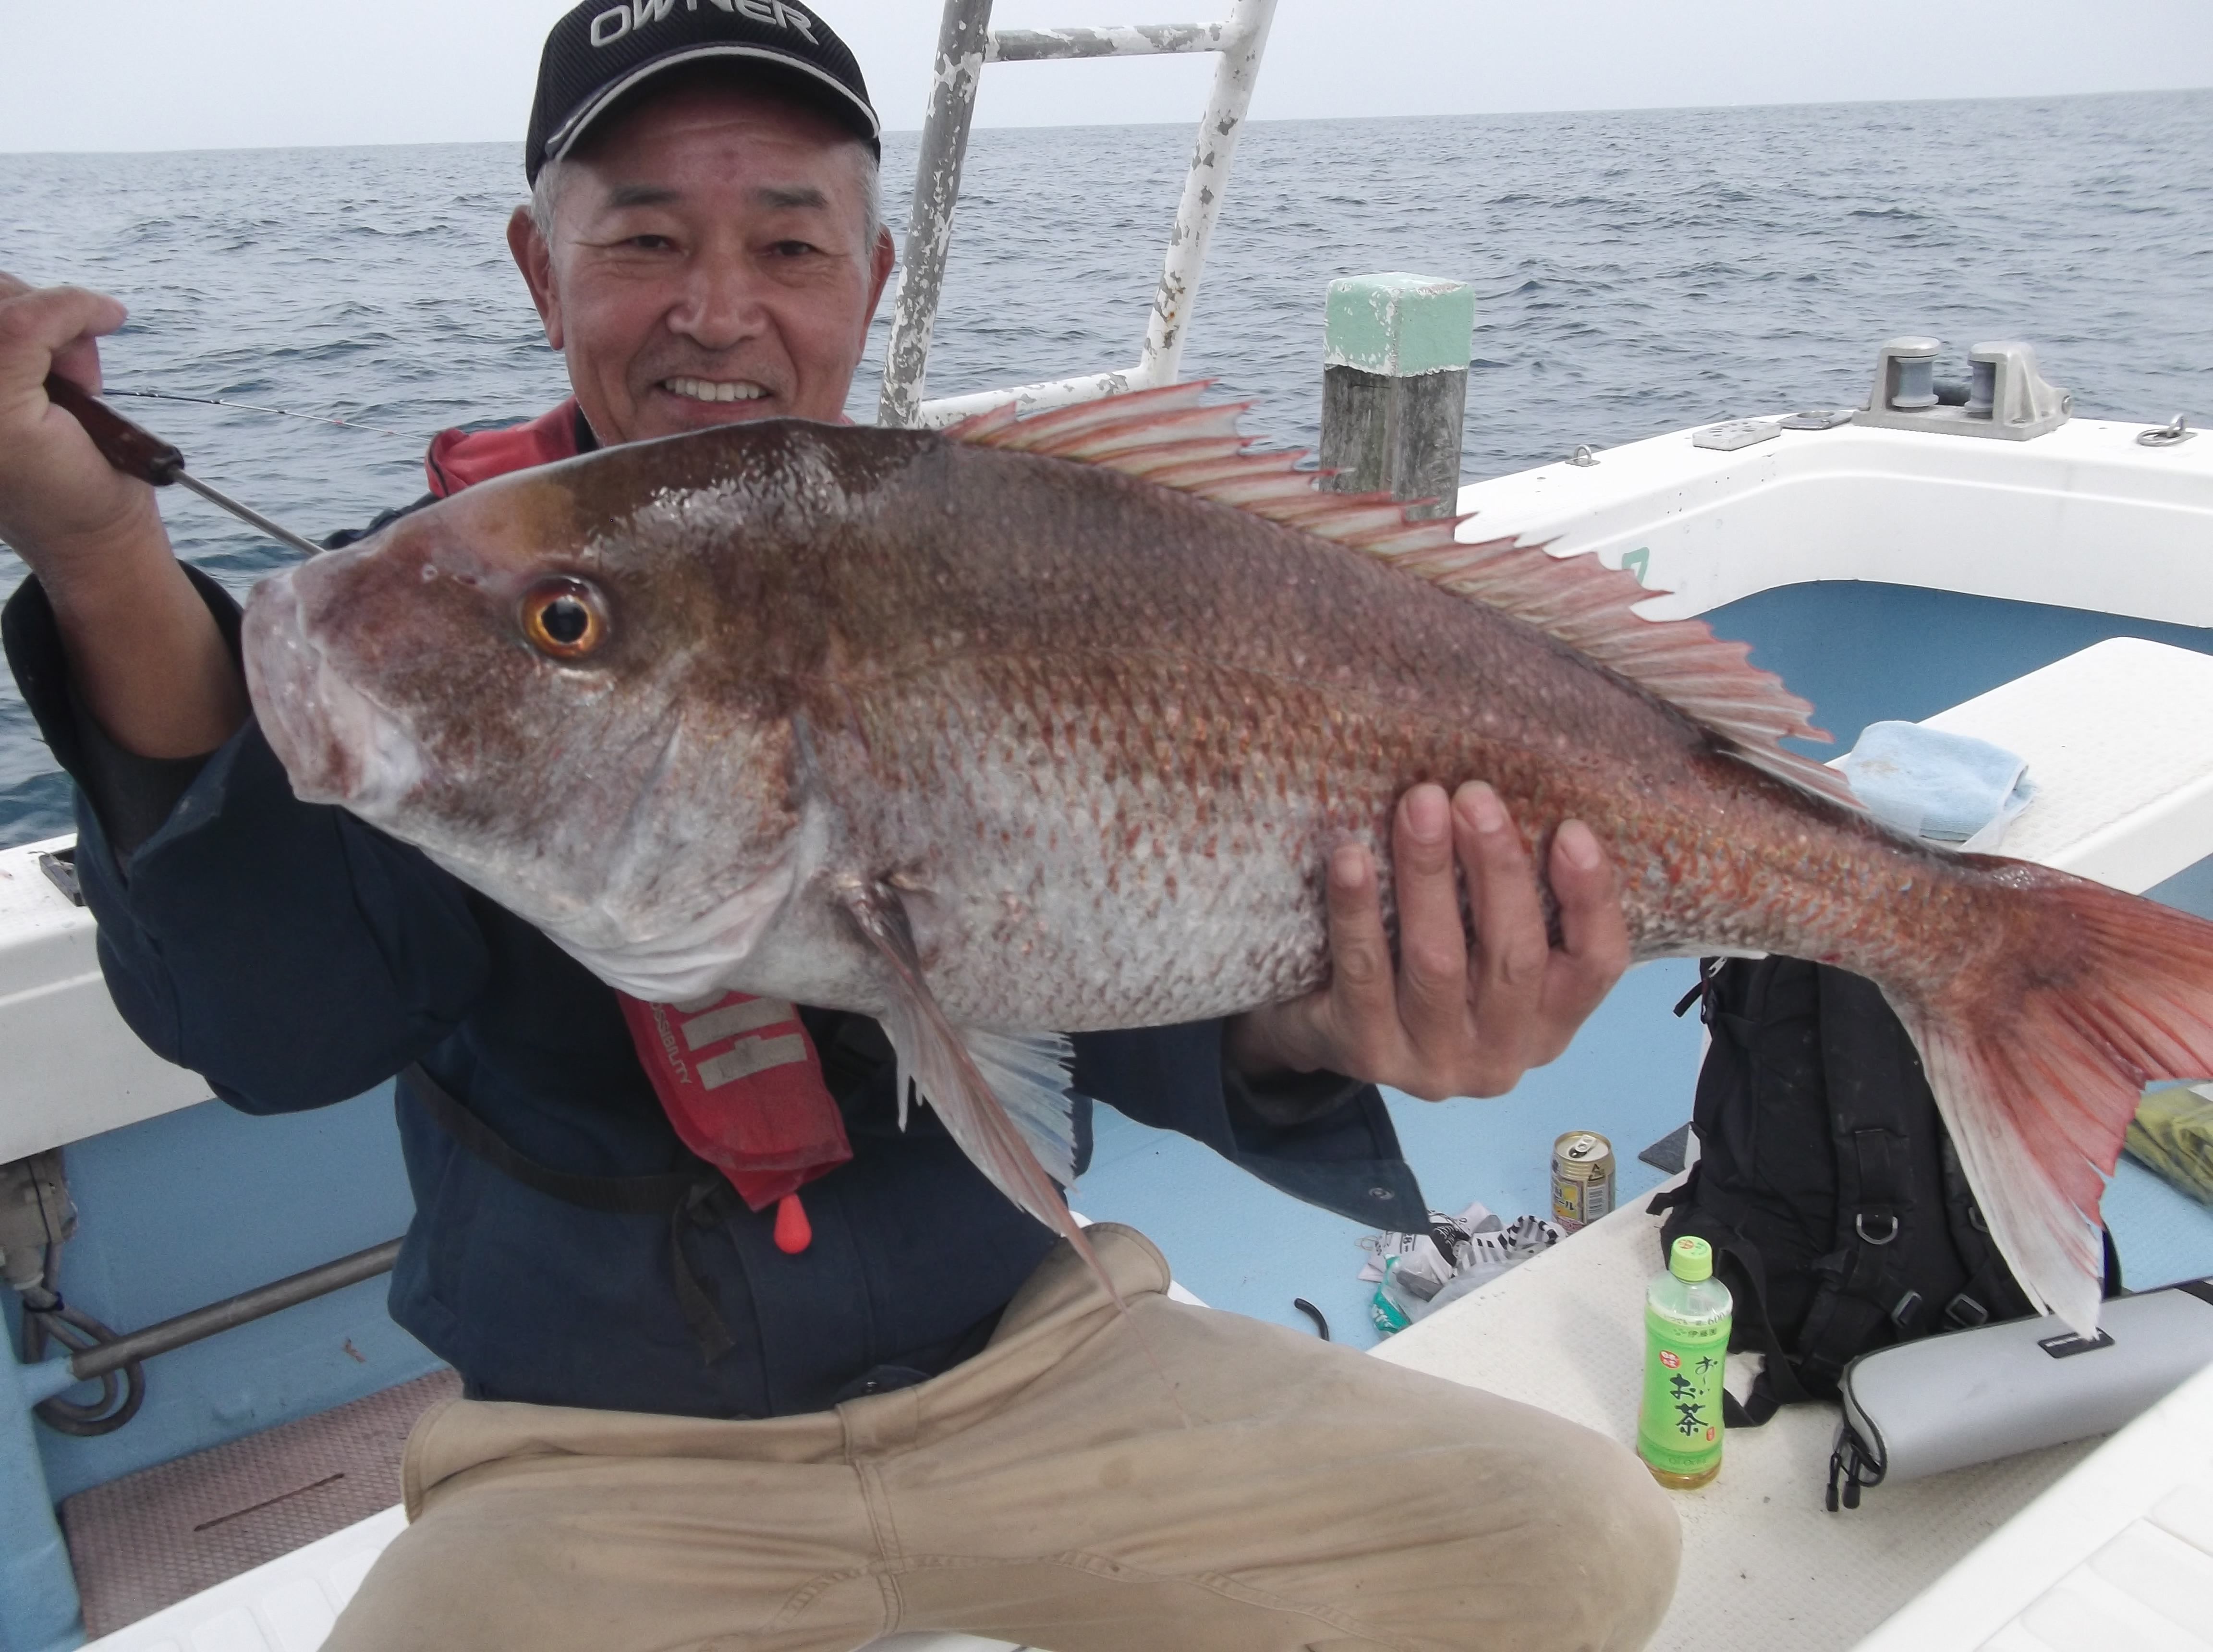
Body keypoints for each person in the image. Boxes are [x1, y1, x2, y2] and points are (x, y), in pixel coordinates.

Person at [0, 5, 1678, 1649]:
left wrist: (1331, 1023)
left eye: (790, 249)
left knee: (1577, 1543)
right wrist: (101, 561)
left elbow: (1128, 991)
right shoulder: (467, 619)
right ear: (540, 267)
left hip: (1043, 1364)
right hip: (599, 1462)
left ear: (871, 279)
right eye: (646, 237)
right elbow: (275, 1020)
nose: (716, 314)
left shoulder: (1016, 560)